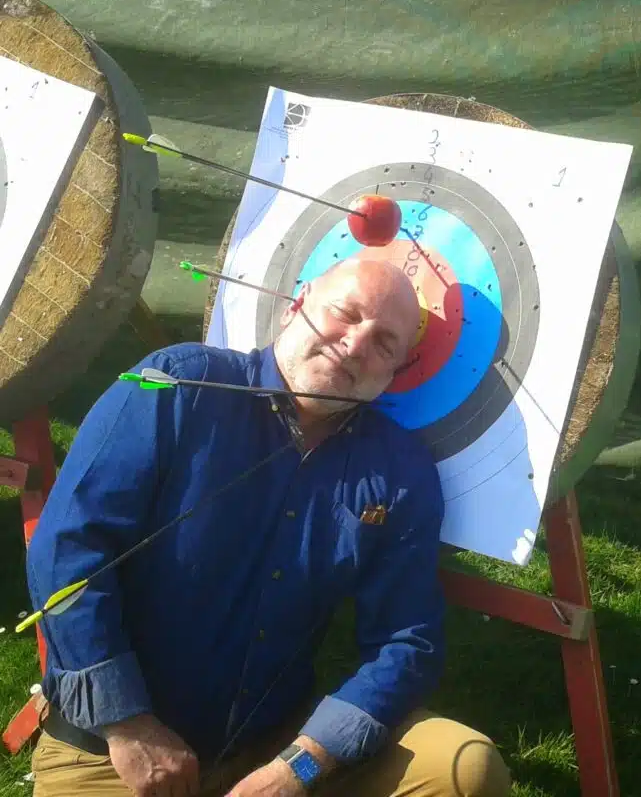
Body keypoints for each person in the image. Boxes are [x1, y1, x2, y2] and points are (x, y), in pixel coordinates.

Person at [25, 257, 511, 797]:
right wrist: (128, 725)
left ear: (395, 372)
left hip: (274, 748)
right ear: (295, 305)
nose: (355, 344)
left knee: (462, 767)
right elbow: (68, 548)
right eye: (346, 314)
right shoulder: (179, 384)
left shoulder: (400, 470)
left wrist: (300, 767)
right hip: (113, 750)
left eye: (384, 343)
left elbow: (406, 640)